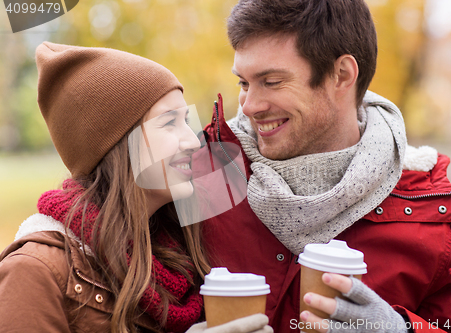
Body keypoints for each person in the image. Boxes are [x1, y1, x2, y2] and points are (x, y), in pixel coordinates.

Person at [198, 1, 451, 332]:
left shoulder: (437, 213)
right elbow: (140, 303)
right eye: (244, 83)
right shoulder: (208, 175)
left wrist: (404, 330)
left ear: (342, 75)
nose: (250, 106)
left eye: (271, 82)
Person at [0, 42, 272, 333]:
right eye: (170, 124)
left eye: (187, 121)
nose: (193, 141)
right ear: (118, 145)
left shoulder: (176, 254)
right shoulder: (34, 272)